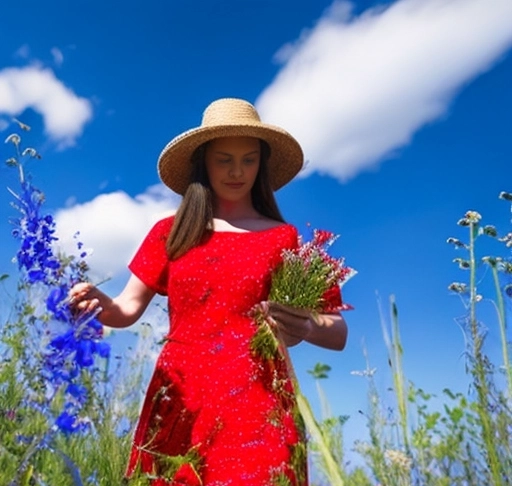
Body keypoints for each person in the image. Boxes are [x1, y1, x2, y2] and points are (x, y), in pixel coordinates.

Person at [69, 98, 348, 486]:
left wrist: (303, 324)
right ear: (203, 162)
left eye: (249, 160)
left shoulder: (282, 238)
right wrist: (100, 304)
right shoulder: (171, 231)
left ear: (262, 165)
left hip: (259, 400)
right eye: (224, 160)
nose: (237, 171)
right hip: (180, 395)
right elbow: (126, 308)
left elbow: (337, 331)